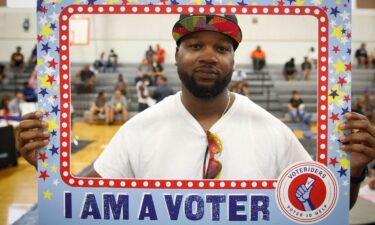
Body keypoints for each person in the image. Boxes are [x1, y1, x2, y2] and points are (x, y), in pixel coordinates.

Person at [17, 14, 375, 209]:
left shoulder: (271, 130)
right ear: (175, 56)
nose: (208, 55)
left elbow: (325, 207)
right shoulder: (139, 128)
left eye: (221, 48)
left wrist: (353, 173)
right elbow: (80, 201)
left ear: (234, 61)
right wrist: (47, 166)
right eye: (194, 45)